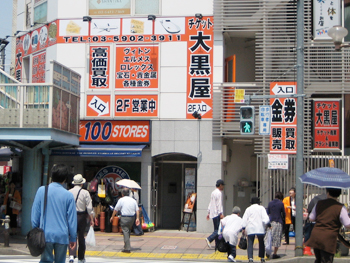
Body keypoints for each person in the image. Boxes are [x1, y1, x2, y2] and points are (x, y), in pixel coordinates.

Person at [31, 164, 77, 263]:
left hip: (45, 235)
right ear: (65, 179)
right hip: (62, 235)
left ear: (52, 176)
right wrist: (73, 237)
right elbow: (72, 219)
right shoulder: (68, 195)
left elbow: (35, 215)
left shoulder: (42, 190)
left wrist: (36, 230)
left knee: (45, 261)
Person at [306, 188, 350, 263]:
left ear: (328, 193)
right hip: (329, 237)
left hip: (316, 235)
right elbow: (347, 224)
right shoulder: (340, 207)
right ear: (339, 195)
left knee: (318, 259)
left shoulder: (319, 203)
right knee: (327, 260)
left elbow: (311, 218)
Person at [68, 174, 95, 263]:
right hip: (82, 216)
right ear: (82, 184)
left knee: (72, 236)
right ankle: (81, 257)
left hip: (71, 216)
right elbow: (89, 207)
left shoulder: (69, 192)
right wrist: (92, 219)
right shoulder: (85, 192)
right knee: (81, 237)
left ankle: (71, 255)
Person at [110, 188, 140, 253]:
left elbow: (116, 209)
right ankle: (126, 245)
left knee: (125, 232)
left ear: (122, 194)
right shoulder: (133, 200)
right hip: (132, 218)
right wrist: (137, 218)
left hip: (124, 218)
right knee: (128, 231)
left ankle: (127, 248)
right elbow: (137, 210)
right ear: (129, 193)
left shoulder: (121, 200)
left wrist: (112, 217)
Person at [242, 197, 270, 263]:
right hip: (260, 228)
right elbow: (266, 218)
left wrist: (243, 227)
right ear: (258, 202)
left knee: (250, 243)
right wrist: (267, 224)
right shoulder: (261, 208)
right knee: (261, 242)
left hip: (251, 228)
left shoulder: (248, 209)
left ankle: (250, 258)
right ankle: (262, 257)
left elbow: (244, 219)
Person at [205, 179, 225, 249]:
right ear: (220, 185)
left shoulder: (213, 192)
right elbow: (219, 204)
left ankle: (217, 245)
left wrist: (208, 212)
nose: (223, 187)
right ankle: (209, 239)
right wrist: (221, 213)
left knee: (216, 229)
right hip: (217, 213)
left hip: (213, 213)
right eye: (223, 186)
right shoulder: (219, 193)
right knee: (218, 230)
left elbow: (211, 203)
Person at [267, 192, 285, 259]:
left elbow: (267, 212)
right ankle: (275, 253)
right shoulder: (281, 203)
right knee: (277, 238)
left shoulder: (270, 203)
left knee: (269, 237)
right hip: (278, 222)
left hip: (271, 222)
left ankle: (268, 252)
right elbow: (283, 213)